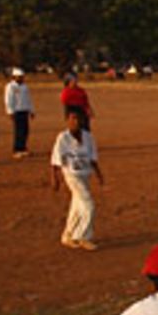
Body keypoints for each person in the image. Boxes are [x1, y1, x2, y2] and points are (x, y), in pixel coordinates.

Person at [49, 108, 103, 251]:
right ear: (67, 121)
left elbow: (93, 158)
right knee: (88, 204)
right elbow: (55, 159)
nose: (76, 122)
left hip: (85, 174)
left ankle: (67, 235)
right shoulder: (63, 138)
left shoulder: (88, 137)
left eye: (78, 119)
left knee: (77, 206)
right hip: (72, 175)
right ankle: (83, 236)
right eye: (72, 119)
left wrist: (99, 175)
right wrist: (55, 178)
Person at [4, 68, 35, 159]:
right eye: (19, 77)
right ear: (15, 77)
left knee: (25, 130)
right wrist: (10, 111)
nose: (21, 79)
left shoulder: (25, 87)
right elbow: (8, 100)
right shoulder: (10, 86)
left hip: (24, 110)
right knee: (18, 131)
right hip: (16, 111)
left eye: (22, 77)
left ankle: (23, 148)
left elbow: (28, 99)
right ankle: (16, 149)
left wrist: (31, 110)